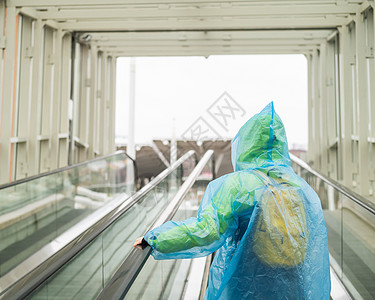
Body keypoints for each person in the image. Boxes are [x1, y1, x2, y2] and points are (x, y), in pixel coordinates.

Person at [134, 102, 331, 299]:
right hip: (292, 288)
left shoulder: (239, 185)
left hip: (248, 287)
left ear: (247, 145)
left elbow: (206, 232)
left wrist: (156, 238)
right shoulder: (299, 187)